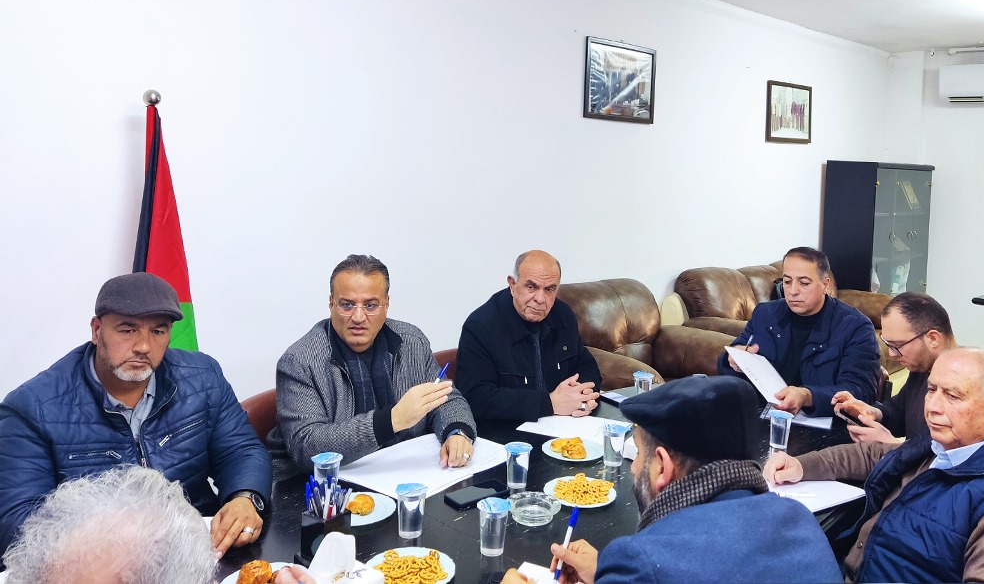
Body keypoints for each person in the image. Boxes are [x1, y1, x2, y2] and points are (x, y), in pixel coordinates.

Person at [0, 272, 271, 558]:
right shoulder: (32, 408)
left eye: (158, 331)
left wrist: (245, 497)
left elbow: (241, 451)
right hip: (97, 562)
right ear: (97, 330)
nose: (143, 346)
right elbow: (18, 523)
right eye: (128, 330)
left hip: (201, 548)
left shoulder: (203, 377)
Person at [765, 348, 984, 583]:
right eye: (932, 390)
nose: (933, 407)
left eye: (952, 396)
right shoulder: (951, 443)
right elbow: (876, 455)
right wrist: (801, 465)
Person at [501, 375, 841, 584]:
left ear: (663, 467)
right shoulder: (799, 519)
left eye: (638, 454)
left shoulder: (641, 560)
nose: (633, 468)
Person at [268, 254, 476, 480]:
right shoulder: (300, 361)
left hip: (399, 471)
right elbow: (306, 446)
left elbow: (446, 398)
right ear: (331, 303)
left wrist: (457, 432)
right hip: (322, 484)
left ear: (386, 304)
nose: (358, 317)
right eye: (347, 305)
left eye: (370, 305)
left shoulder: (411, 341)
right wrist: (392, 420)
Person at [717, 246, 880, 416]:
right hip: (764, 413)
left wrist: (807, 396)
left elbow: (861, 391)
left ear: (825, 285)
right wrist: (733, 359)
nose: (793, 291)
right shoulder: (765, 314)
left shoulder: (855, 327)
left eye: (804, 283)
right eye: (787, 282)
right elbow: (733, 358)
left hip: (821, 421)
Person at [1, 466, 217, 584]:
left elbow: (233, 451)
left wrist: (239, 493)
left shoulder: (203, 390)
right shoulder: (32, 408)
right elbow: (17, 520)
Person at [456, 250, 601, 421]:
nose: (540, 299)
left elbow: (587, 366)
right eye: (531, 287)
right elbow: (476, 399)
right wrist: (550, 403)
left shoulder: (563, 315)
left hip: (563, 423)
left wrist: (582, 396)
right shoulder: (480, 327)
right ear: (512, 285)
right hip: (506, 429)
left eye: (549, 289)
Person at [831, 291, 956, 445]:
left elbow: (949, 456)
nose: (891, 354)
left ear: (932, 339)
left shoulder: (963, 387)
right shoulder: (921, 370)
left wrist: (892, 445)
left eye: (898, 345)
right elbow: (899, 412)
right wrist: (874, 413)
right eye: (888, 344)